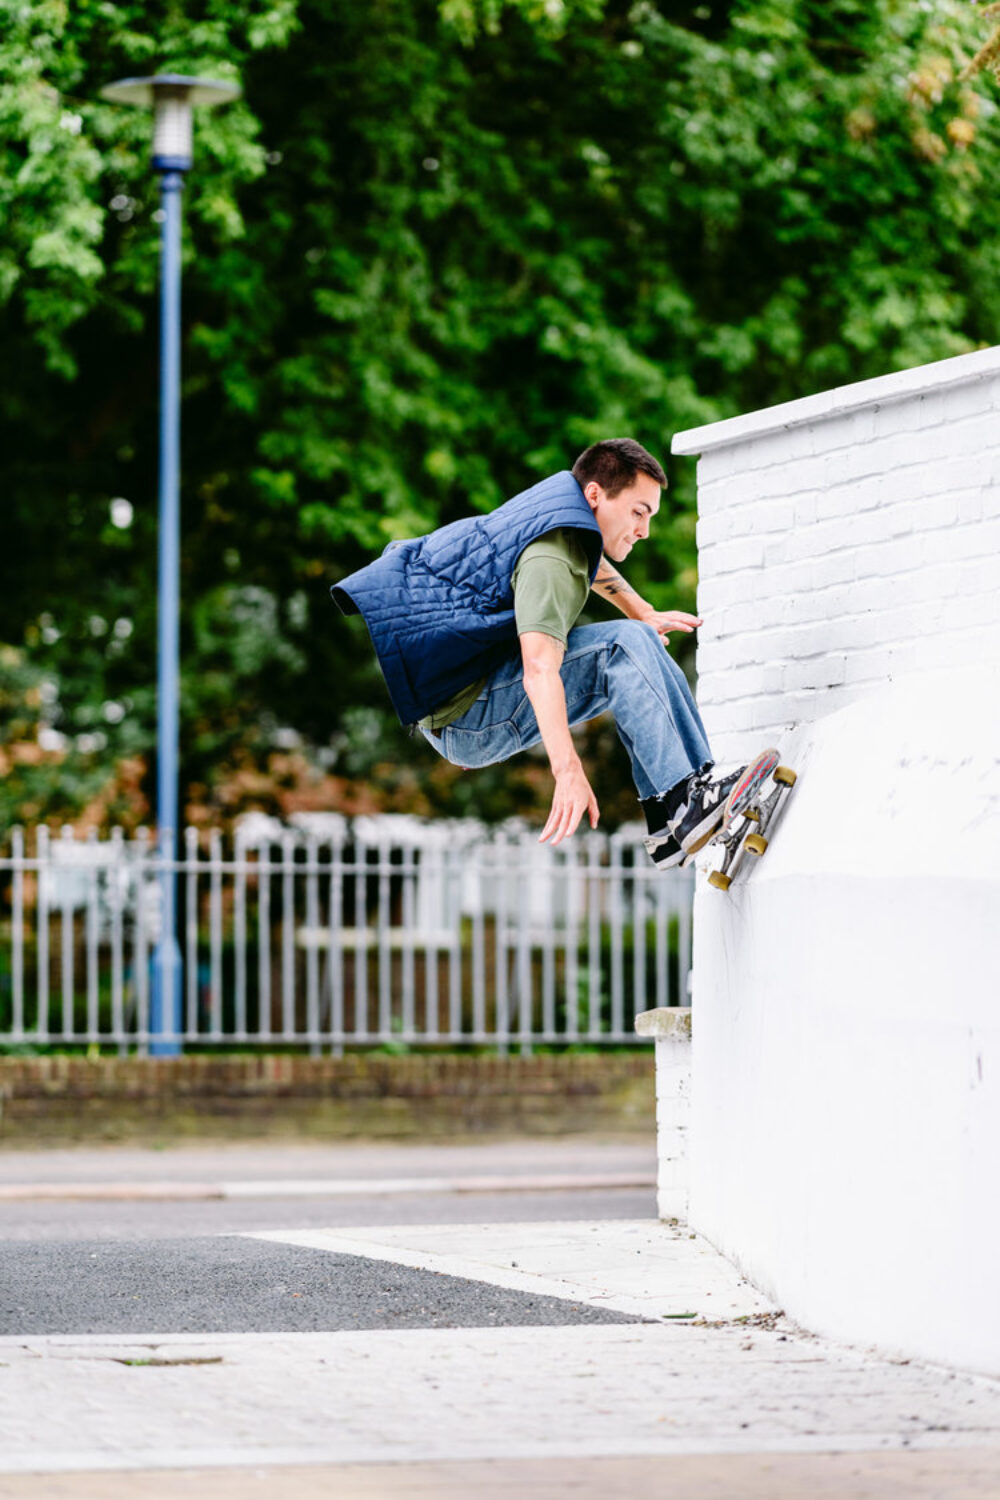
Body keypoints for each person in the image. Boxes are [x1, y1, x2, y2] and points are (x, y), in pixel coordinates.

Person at [332, 438, 759, 868]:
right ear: (595, 495)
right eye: (638, 512)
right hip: (470, 717)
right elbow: (539, 669)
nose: (644, 530)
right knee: (622, 649)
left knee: (638, 640)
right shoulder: (552, 556)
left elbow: (593, 565)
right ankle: (687, 803)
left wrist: (642, 611)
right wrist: (566, 770)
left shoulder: (562, 514)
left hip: (469, 693)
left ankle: (673, 820)